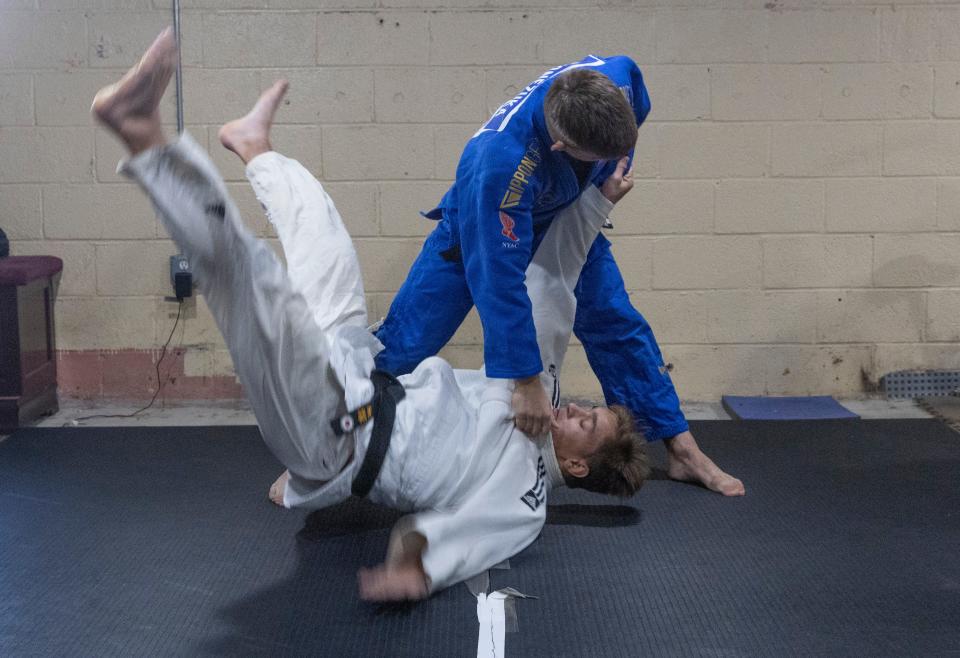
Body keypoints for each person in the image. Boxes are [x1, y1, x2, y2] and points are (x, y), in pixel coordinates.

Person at [91, 28, 650, 603]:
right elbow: (557, 278)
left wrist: (416, 570)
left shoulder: (525, 497)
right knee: (324, 239)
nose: (576, 408)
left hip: (332, 436)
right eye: (589, 409)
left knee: (252, 283)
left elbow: (465, 539)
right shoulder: (543, 387)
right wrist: (599, 200)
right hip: (360, 368)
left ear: (577, 468)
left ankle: (145, 138)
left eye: (587, 424)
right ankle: (255, 147)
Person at [373, 55, 745, 496]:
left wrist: (600, 195)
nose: (614, 160)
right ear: (560, 146)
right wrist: (527, 379)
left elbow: (622, 131)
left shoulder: (620, 77)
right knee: (408, 339)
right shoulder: (499, 163)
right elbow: (499, 283)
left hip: (566, 213)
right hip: (479, 228)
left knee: (616, 323)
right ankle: (324, 449)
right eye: (602, 156)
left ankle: (683, 449)